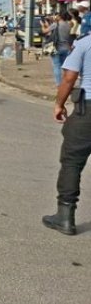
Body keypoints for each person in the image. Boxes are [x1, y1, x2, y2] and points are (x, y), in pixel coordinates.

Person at [43, 33, 91, 235]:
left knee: (72, 161)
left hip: (87, 112)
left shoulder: (85, 43)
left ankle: (65, 217)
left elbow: (69, 78)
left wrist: (59, 104)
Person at [50, 12, 74, 88]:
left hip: (56, 48)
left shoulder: (55, 25)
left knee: (56, 66)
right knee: (66, 67)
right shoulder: (69, 25)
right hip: (66, 48)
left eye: (57, 15)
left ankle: (59, 84)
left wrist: (43, 25)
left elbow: (44, 31)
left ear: (60, 16)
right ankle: (67, 83)